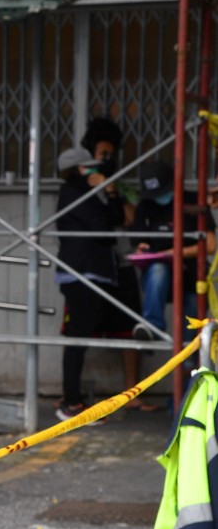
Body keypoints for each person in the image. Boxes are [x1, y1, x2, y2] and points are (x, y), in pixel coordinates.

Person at [79, 117, 157, 411]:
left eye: (110, 154)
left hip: (122, 264)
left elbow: (129, 218)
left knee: (130, 325)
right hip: (92, 266)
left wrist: (111, 188)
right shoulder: (79, 184)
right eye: (102, 154)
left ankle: (132, 394)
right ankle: (76, 394)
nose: (106, 159)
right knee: (82, 328)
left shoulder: (119, 184)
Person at [54, 146, 126, 421]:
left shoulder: (84, 193)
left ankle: (72, 398)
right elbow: (104, 225)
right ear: (80, 169)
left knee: (81, 335)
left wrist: (110, 191)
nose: (95, 171)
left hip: (93, 272)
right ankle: (70, 402)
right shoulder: (73, 193)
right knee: (77, 337)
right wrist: (105, 192)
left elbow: (116, 219)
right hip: (81, 273)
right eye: (90, 167)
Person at [131, 161, 216, 342]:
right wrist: (142, 250)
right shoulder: (146, 207)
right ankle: (152, 326)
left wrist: (176, 253)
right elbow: (138, 243)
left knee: (189, 342)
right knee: (159, 269)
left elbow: (210, 245)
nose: (159, 198)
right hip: (160, 280)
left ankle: (189, 364)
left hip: (192, 277)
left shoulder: (194, 201)